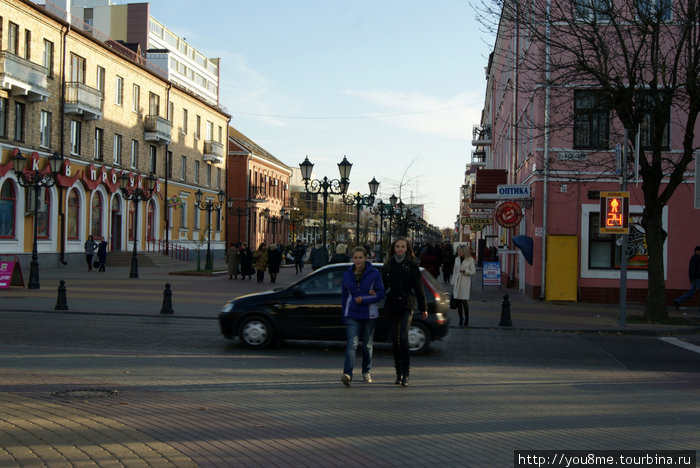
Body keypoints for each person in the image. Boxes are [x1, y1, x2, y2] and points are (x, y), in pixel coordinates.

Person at [382, 237, 427, 387]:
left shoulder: (412, 265)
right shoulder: (388, 265)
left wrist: (424, 307)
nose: (400, 249)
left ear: (407, 248)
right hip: (393, 303)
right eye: (397, 246)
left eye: (402, 246)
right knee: (395, 340)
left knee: (403, 337)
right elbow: (383, 285)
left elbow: (419, 287)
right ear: (393, 249)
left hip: (407, 304)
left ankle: (406, 372)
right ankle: (398, 372)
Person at [340, 246, 385, 387]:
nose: (358, 260)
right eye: (355, 257)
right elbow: (344, 296)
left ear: (365, 258)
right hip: (352, 313)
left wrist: (365, 299)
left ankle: (366, 371)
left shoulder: (374, 274)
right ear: (352, 259)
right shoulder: (347, 275)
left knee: (367, 345)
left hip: (369, 314)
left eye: (360, 257)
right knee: (352, 344)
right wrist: (344, 314)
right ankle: (347, 374)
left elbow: (381, 293)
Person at [452, 246, 476, 327]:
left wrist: (465, 271)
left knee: (464, 301)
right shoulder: (457, 259)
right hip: (457, 281)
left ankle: (467, 319)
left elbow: (473, 272)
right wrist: (453, 283)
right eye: (458, 251)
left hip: (465, 282)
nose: (459, 253)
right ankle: (461, 319)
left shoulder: (470, 259)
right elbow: (454, 271)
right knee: (458, 301)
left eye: (461, 251)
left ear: (465, 251)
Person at [674, 246, 700, 312]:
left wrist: (691, 279)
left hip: (694, 278)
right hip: (697, 278)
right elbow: (691, 269)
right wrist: (692, 278)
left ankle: (678, 301)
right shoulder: (695, 258)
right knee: (692, 292)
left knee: (691, 292)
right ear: (697, 251)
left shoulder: (695, 258)